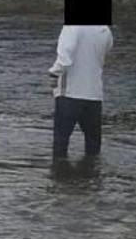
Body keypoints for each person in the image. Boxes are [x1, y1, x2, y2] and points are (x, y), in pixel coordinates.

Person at [48, 24, 113, 159]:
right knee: (93, 145)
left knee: (61, 143)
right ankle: (92, 176)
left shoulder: (72, 26)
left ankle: (60, 176)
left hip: (70, 92)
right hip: (94, 94)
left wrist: (54, 73)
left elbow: (65, 58)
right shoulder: (104, 29)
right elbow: (107, 50)